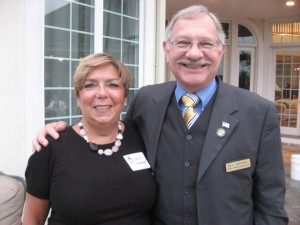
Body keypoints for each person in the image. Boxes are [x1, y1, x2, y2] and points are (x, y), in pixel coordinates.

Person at [32, 5, 288, 225]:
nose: (194, 53)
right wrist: (60, 134)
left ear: (221, 51)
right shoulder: (146, 101)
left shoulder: (258, 112)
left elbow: (270, 206)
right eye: (183, 42)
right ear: (167, 49)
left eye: (206, 43)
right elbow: (112, 135)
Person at [24, 53, 156, 225]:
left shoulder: (142, 137)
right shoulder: (51, 147)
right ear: (78, 97)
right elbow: (32, 220)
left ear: (125, 97)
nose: (101, 93)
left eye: (113, 85)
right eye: (90, 85)